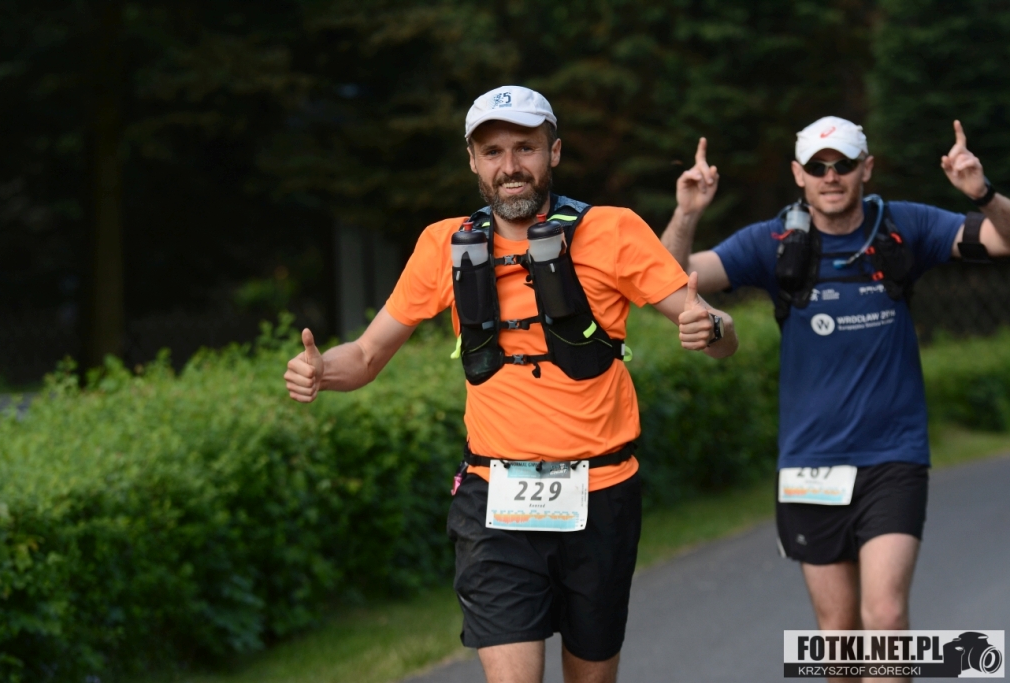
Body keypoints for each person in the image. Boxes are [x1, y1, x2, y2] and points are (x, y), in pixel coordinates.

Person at [284, 85, 738, 683]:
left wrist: (713, 328)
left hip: (601, 493)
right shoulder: (443, 244)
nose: (510, 166)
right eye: (493, 151)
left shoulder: (613, 230)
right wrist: (322, 372)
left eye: (525, 147)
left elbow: (714, 328)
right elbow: (366, 356)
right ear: (473, 162)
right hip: (494, 499)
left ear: (554, 152)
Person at [660, 117, 1010, 683]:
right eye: (817, 167)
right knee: (839, 636)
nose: (831, 176)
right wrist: (687, 213)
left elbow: (1003, 239)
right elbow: (671, 281)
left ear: (865, 168)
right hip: (810, 464)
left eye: (843, 164)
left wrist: (983, 194)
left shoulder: (904, 226)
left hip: (893, 457)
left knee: (886, 617)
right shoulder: (774, 241)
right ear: (798, 174)